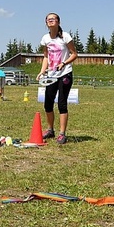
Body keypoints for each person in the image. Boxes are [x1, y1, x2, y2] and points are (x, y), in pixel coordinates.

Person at [37, 12, 78, 144]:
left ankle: (62, 133)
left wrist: (64, 63)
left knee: (61, 103)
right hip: (51, 75)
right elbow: (46, 57)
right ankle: (50, 130)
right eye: (48, 19)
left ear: (58, 22)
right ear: (46, 23)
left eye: (53, 19)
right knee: (47, 104)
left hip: (65, 73)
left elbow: (74, 54)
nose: (51, 21)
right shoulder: (45, 38)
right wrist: (42, 72)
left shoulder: (65, 36)